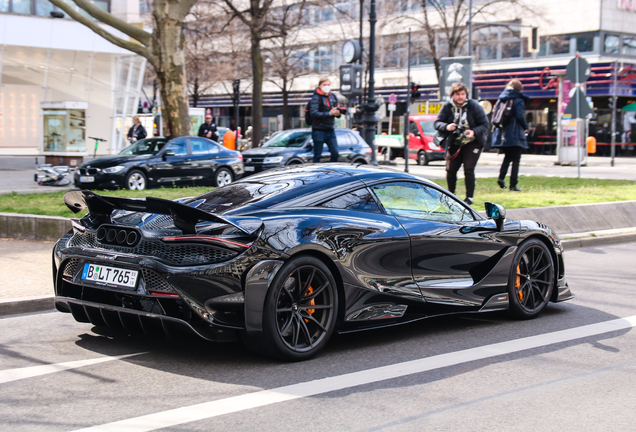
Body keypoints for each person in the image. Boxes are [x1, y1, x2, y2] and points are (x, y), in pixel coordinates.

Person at [434, 82, 489, 205]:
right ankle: (451, 194)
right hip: (454, 142)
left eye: (463, 94)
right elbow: (437, 123)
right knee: (450, 169)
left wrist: (474, 132)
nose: (460, 97)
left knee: (469, 169)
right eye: (458, 94)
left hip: (472, 141)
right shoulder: (447, 107)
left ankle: (469, 197)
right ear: (452, 95)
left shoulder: (474, 105)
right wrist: (447, 127)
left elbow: (485, 124)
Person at [492, 79, 529, 192]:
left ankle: (501, 178)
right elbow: (520, 116)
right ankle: (513, 185)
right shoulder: (518, 100)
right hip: (515, 132)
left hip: (503, 134)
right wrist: (525, 126)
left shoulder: (501, 98)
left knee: (507, 157)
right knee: (516, 159)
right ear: (519, 88)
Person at [309, 77, 342, 163]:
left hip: (330, 130)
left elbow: (338, 109)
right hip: (318, 130)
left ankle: (331, 171)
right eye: (324, 85)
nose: (326, 86)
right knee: (317, 155)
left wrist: (338, 113)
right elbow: (314, 114)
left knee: (335, 153)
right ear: (319, 86)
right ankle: (316, 173)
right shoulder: (316, 98)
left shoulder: (333, 96)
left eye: (328, 85)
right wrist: (329, 113)